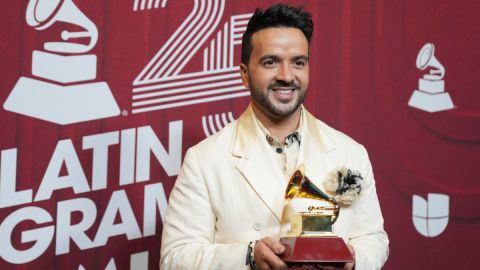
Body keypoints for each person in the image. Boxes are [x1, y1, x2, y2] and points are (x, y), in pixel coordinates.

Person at [160, 3, 389, 270]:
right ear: (244, 74)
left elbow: (374, 239)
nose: (286, 76)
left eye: (298, 62)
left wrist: (351, 260)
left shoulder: (350, 152)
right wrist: (248, 257)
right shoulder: (204, 160)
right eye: (270, 62)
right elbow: (175, 258)